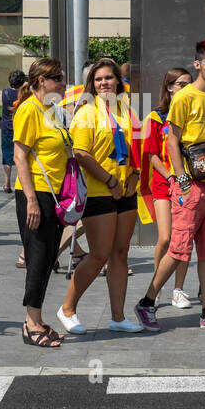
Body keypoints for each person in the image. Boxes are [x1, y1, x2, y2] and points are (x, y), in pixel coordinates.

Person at [132, 40, 205, 331]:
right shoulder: (184, 97)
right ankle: (147, 302)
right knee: (178, 248)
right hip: (189, 184)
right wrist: (181, 180)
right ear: (198, 65)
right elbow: (172, 141)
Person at [57, 58, 142, 334]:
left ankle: (118, 317)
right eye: (99, 79)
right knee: (99, 254)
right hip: (99, 191)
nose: (104, 83)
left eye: (109, 78)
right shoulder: (86, 111)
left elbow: (138, 147)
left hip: (126, 189)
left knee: (120, 253)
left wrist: (134, 176)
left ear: (118, 80)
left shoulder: (126, 109)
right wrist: (109, 180)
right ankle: (67, 308)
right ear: (91, 85)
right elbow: (81, 153)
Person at [12, 58, 70, 347]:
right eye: (57, 78)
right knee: (37, 258)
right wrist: (32, 200)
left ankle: (37, 317)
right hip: (35, 192)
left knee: (48, 258)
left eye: (63, 77)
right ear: (40, 82)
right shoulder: (29, 110)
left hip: (55, 194)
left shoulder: (52, 110)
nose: (63, 82)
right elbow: (19, 155)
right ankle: (31, 323)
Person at [141, 68, 193, 309]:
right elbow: (151, 155)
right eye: (181, 84)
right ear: (169, 87)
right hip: (164, 183)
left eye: (189, 84)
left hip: (188, 184)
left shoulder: (193, 114)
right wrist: (171, 175)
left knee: (184, 238)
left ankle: (179, 290)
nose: (186, 88)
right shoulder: (156, 117)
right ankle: (156, 286)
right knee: (165, 237)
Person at [1, 69, 27, 192]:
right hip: (20, 127)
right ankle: (21, 182)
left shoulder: (4, 92)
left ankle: (6, 184)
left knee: (7, 155)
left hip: (6, 127)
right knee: (21, 155)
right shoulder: (24, 94)